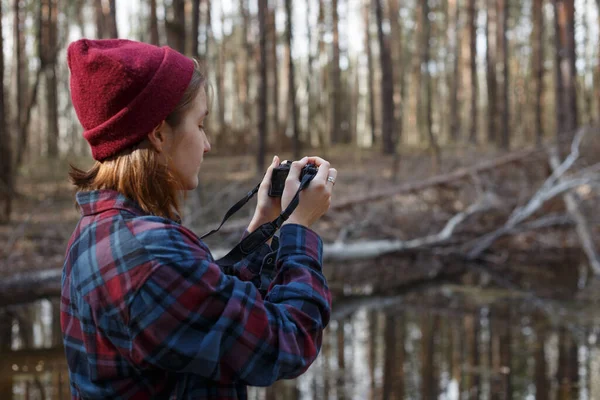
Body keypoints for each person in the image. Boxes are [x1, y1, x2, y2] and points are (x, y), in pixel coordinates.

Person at [61, 38, 336, 399]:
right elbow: (289, 343)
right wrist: (298, 231)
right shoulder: (152, 258)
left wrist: (264, 226)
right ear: (159, 133)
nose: (206, 144)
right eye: (200, 124)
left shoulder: (97, 232)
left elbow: (205, 307)